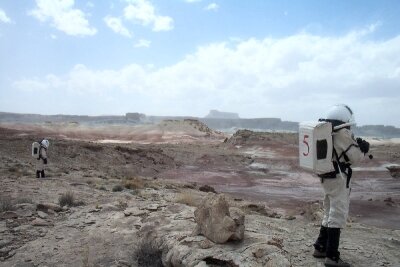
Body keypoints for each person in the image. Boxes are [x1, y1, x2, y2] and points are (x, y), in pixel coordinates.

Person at [312, 104, 370, 267]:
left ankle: (320, 246)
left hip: (327, 176)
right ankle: (332, 257)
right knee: (337, 213)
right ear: (345, 119)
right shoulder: (342, 133)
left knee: (329, 210)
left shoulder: (327, 132)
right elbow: (355, 157)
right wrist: (363, 149)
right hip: (338, 177)